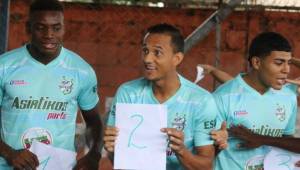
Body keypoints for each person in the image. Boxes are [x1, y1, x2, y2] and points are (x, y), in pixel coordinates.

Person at [103, 23, 224, 170]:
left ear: (177, 59)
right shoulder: (128, 93)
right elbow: (118, 160)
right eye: (145, 50)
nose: (147, 59)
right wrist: (112, 150)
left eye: (157, 52)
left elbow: (206, 165)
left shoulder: (201, 101)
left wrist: (181, 151)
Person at [0, 0, 102, 169]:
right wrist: (10, 153)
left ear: (64, 28)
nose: (49, 34)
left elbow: (94, 122)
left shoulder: (81, 70)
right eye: (41, 27)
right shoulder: (4, 66)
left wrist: (94, 155)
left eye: (56, 27)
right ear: (28, 28)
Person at [213, 32, 298, 170]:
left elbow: (286, 139)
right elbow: (206, 150)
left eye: (289, 63)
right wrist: (218, 143)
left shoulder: (289, 97)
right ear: (257, 62)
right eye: (279, 63)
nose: (286, 70)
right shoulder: (223, 97)